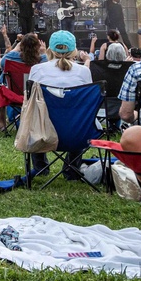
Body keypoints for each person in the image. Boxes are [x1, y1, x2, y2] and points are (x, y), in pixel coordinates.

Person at [28, 30, 92, 179]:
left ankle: (40, 167)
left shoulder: (36, 70)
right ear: (74, 50)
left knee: (34, 115)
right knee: (80, 117)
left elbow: (30, 104)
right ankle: (71, 168)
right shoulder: (84, 72)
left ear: (50, 49)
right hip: (77, 133)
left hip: (43, 131)